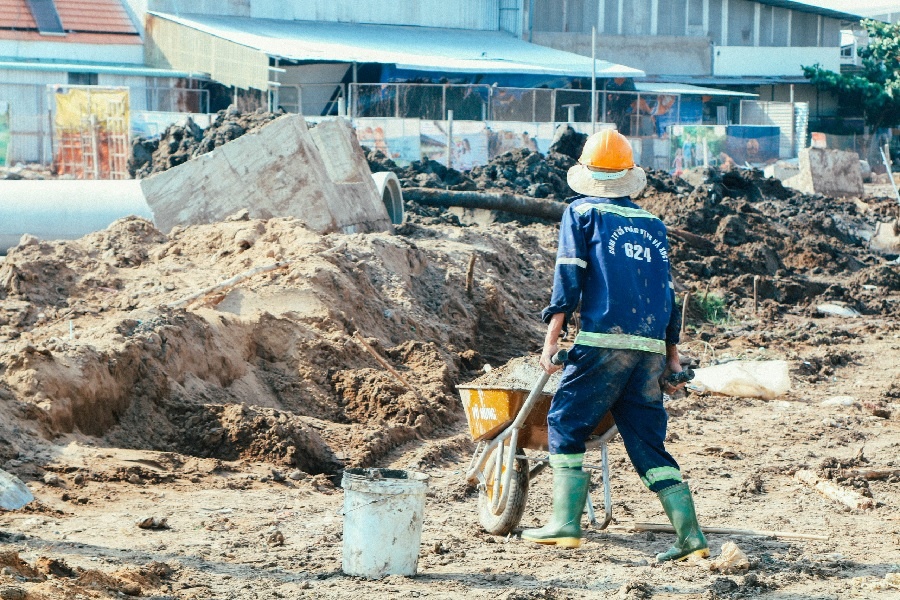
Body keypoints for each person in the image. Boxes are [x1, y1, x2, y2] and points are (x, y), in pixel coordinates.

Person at [521, 129, 709, 563]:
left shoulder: (582, 212)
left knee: (565, 422)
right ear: (628, 175)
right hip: (648, 350)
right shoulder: (653, 224)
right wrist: (672, 357)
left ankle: (565, 524)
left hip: (604, 343)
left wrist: (552, 340)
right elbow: (666, 292)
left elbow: (569, 274)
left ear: (586, 172)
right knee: (647, 442)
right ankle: (690, 535)